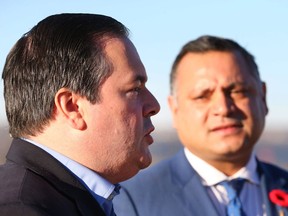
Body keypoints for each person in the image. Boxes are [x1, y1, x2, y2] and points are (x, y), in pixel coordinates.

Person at [0, 13, 160, 215]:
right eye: (134, 89)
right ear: (72, 107)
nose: (154, 105)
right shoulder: (22, 209)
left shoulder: (64, 199)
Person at [113, 35, 288, 216]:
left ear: (263, 97)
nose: (223, 108)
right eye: (202, 96)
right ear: (175, 109)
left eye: (237, 92)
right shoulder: (130, 201)